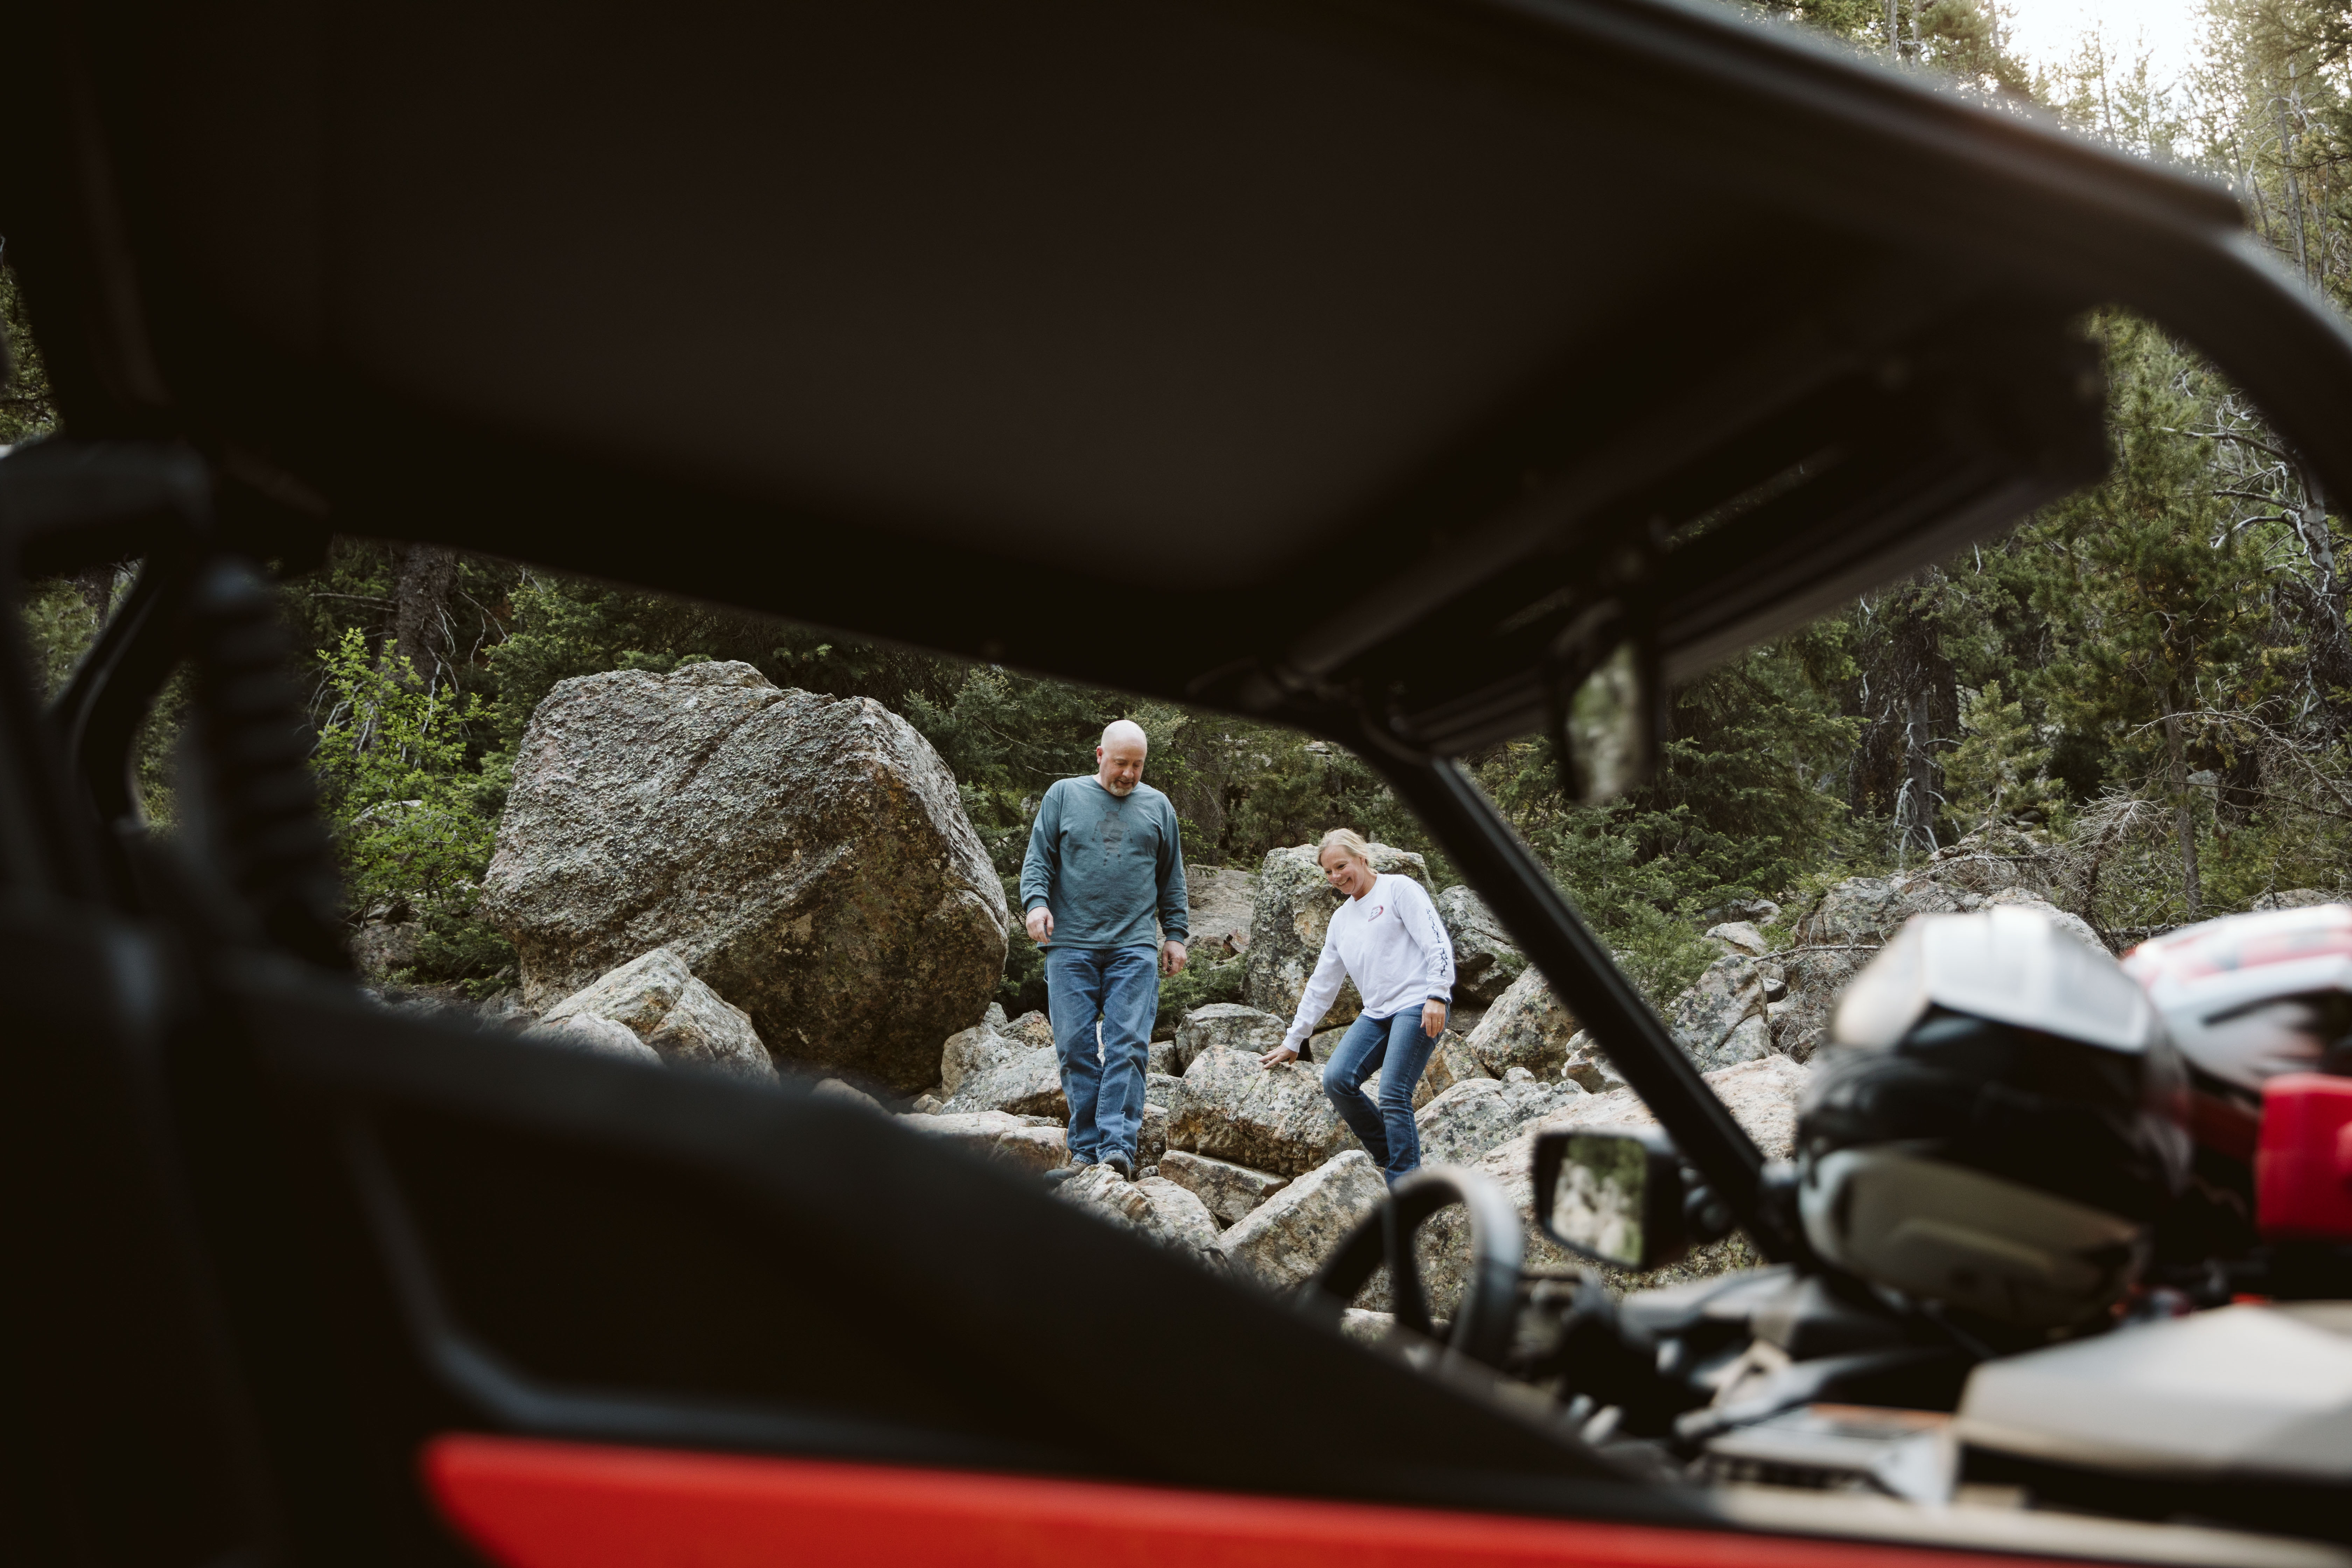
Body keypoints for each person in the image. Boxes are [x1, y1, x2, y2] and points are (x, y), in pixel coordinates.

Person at [1020, 719, 1189, 1183]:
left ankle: (1116, 1149)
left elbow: (1171, 878)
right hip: (1069, 944)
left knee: (1128, 1046)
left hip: (1133, 947)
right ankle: (1085, 1149)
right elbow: (1038, 861)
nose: (1129, 774)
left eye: (1138, 765)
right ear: (1100, 756)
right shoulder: (1063, 796)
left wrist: (1175, 935)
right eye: (1121, 764)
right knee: (1075, 1047)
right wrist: (1036, 905)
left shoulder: (1159, 807)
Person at [1258, 828, 1454, 1186]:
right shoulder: (1341, 920)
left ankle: (1405, 1182)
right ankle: (1391, 1156)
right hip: (1377, 1013)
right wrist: (1294, 1040)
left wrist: (1438, 994)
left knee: (1394, 1091)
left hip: (1418, 1003)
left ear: (1362, 857)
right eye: (1328, 872)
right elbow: (1323, 983)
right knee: (1337, 1079)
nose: (1336, 877)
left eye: (1341, 866)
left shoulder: (1399, 890)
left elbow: (1436, 941)